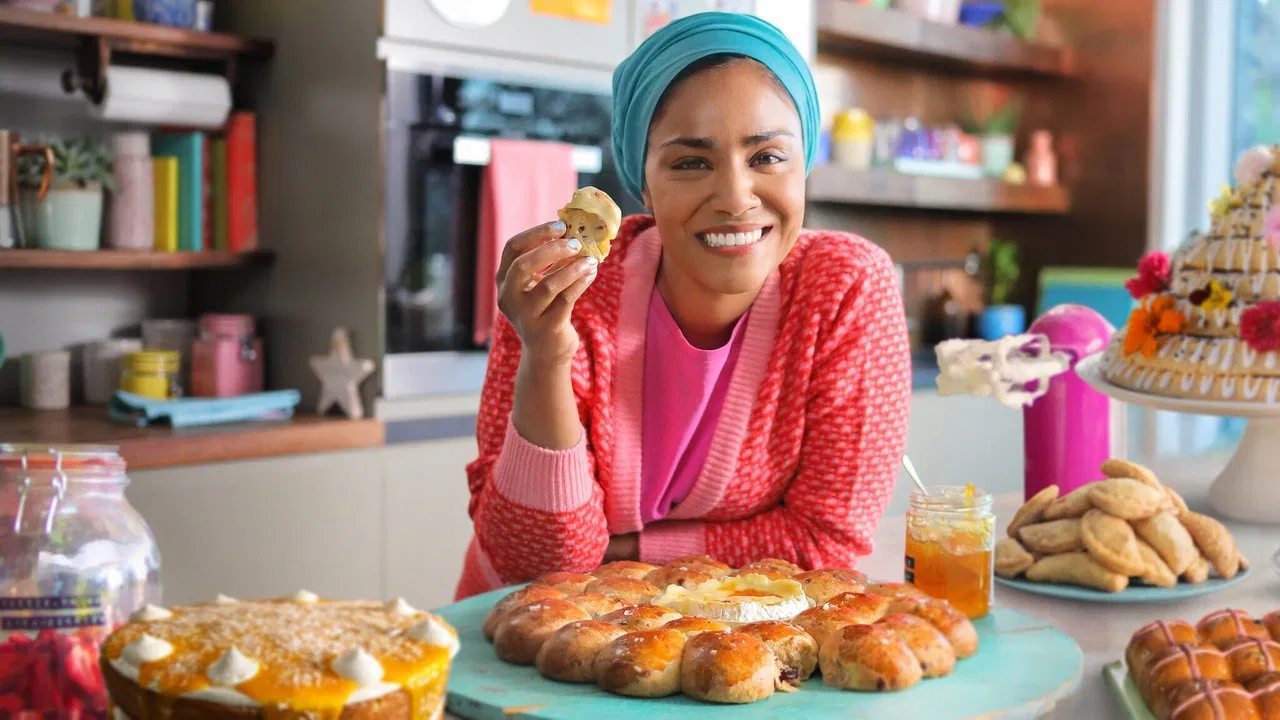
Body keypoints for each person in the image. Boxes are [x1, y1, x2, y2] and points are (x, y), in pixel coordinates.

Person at [455, 12, 911, 599]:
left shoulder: (845, 288)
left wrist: (627, 554)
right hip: (535, 637)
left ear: (804, 166)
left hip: (742, 642)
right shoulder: (561, 292)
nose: (735, 198)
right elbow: (538, 566)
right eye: (691, 162)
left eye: (767, 157)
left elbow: (825, 545)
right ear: (642, 184)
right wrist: (546, 356)